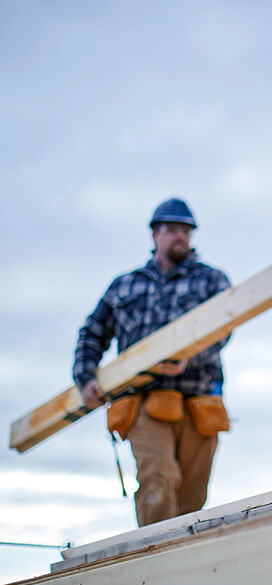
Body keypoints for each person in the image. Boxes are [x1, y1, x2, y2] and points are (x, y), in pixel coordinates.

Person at [73, 198, 232, 526]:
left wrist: (189, 357)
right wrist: (86, 376)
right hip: (143, 401)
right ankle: (153, 559)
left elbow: (224, 330)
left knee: (192, 495)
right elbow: (92, 331)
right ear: (154, 235)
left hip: (198, 400)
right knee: (158, 479)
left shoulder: (211, 280)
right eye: (172, 230)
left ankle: (183, 563)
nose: (180, 237)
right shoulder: (125, 285)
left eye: (186, 231)